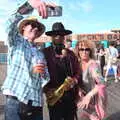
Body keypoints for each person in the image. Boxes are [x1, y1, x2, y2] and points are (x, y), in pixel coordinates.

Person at [1, 2, 53, 120]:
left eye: (38, 27)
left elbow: (45, 78)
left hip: (36, 103)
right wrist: (29, 4)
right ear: (23, 27)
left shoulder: (40, 53)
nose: (35, 28)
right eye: (32, 25)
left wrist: (42, 73)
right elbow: (9, 24)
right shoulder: (16, 41)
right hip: (16, 99)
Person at [43, 22, 83, 120]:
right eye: (55, 34)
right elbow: (40, 75)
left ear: (64, 37)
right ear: (51, 37)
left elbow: (78, 71)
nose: (58, 37)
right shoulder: (45, 53)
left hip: (69, 95)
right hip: (54, 95)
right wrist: (46, 89)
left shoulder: (70, 54)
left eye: (61, 34)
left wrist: (74, 81)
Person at [75, 40, 107, 120]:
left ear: (90, 51)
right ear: (78, 51)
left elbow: (101, 83)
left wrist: (89, 96)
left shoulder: (93, 65)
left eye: (87, 49)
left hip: (93, 100)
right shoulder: (77, 63)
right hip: (82, 100)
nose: (84, 52)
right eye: (81, 49)